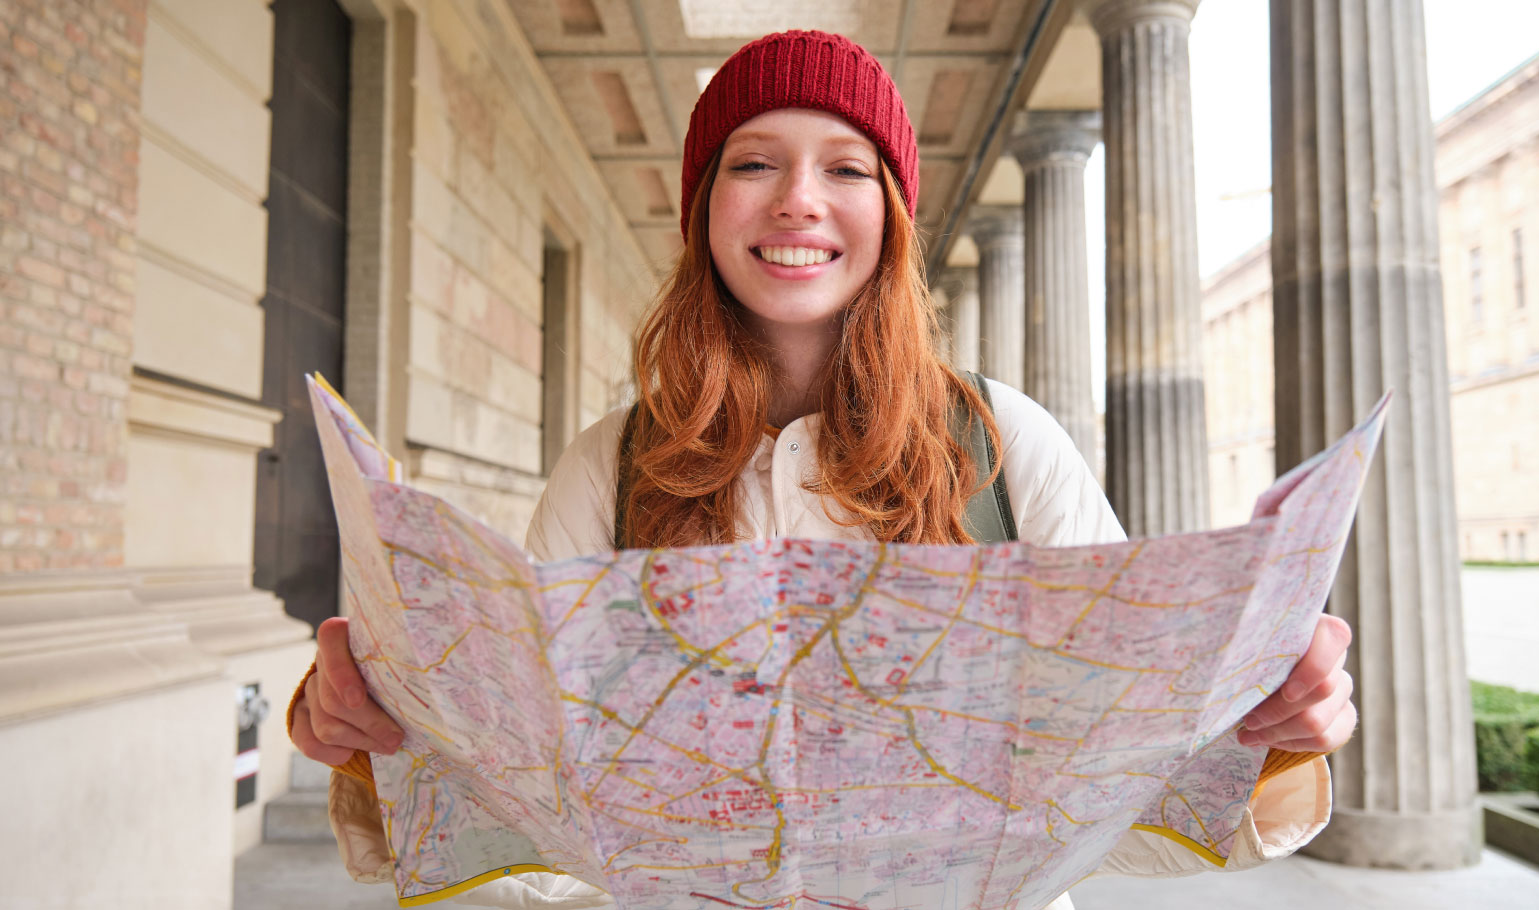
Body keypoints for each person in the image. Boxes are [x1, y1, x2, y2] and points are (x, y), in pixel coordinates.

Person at [290, 30, 1355, 909]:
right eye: (753, 162)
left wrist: (1266, 731)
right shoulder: (607, 467)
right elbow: (537, 845)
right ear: (702, 206)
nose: (798, 199)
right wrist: (380, 745)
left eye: (846, 168)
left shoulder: (1005, 441)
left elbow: (1127, 808)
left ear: (890, 215)